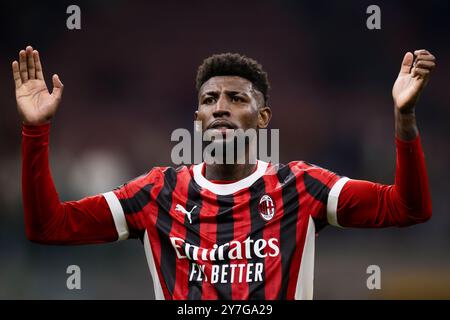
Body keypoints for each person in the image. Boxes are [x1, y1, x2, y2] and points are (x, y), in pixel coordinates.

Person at [13, 45, 435, 300]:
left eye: (236, 98)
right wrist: (35, 130)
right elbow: (48, 226)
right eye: (210, 99)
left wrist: (404, 119)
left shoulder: (302, 187)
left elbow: (408, 208)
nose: (220, 106)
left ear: (262, 116)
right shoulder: (157, 192)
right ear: (197, 119)